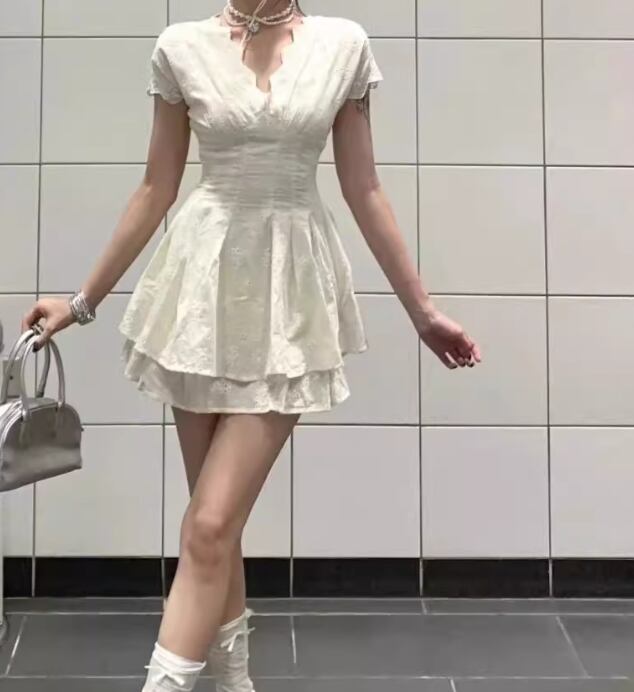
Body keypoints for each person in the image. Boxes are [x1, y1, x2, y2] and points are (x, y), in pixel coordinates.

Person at [21, 1, 482, 690]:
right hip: (198, 294)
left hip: (288, 296)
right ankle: (233, 680)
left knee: (208, 524)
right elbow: (156, 187)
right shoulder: (180, 47)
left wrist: (422, 312)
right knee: (216, 523)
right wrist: (80, 302)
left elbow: (364, 187)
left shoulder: (342, 45)